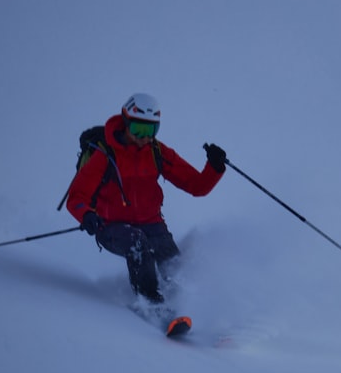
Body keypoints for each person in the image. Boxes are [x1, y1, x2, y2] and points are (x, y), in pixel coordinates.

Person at [66, 93, 227, 303]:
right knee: (137, 242)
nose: (145, 137)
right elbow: (77, 197)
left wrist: (214, 167)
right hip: (111, 227)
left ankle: (187, 305)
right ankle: (150, 303)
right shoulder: (106, 155)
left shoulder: (157, 152)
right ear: (125, 122)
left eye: (151, 130)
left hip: (152, 224)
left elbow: (196, 186)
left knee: (174, 266)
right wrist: (86, 215)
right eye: (139, 129)